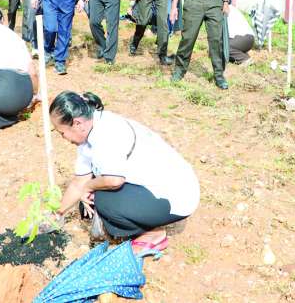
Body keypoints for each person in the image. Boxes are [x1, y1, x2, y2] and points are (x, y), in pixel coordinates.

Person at [50, 91, 199, 250]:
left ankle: (154, 234)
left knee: (104, 201)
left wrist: (89, 187)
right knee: (88, 203)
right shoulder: (87, 135)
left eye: (62, 133)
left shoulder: (107, 131)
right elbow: (79, 182)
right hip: (151, 188)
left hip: (177, 194)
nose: (63, 138)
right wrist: (57, 214)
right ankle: (140, 218)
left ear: (77, 123)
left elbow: (113, 180)